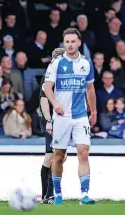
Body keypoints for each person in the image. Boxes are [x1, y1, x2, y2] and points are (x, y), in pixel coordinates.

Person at [42, 29, 97, 205]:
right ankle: (57, 194)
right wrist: (55, 103)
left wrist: (93, 111)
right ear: (63, 43)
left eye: (73, 41)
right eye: (67, 42)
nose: (70, 45)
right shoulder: (56, 63)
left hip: (80, 116)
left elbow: (90, 89)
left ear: (79, 42)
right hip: (61, 117)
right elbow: (47, 87)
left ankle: (85, 194)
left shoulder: (87, 63)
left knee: (83, 153)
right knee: (58, 156)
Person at [39, 47, 66, 204]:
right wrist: (49, 120)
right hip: (52, 121)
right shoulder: (49, 76)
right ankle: (49, 195)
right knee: (55, 156)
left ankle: (46, 195)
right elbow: (44, 100)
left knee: (51, 157)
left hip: (62, 120)